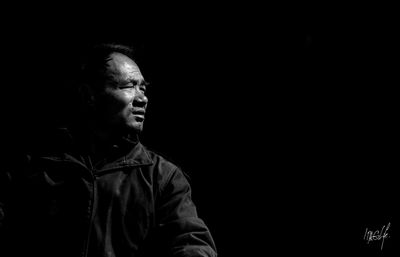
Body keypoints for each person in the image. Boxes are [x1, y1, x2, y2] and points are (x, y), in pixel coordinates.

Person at [0, 43, 217, 257]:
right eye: (128, 86)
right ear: (89, 95)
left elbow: (191, 241)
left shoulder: (163, 177)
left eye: (142, 88)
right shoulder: (33, 167)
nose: (142, 98)